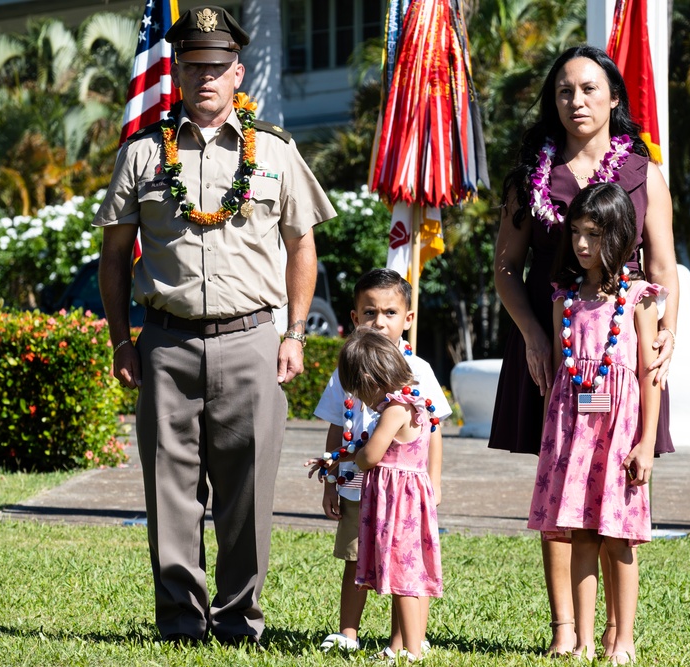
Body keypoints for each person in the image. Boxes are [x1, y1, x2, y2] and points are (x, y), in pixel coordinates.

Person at [95, 5, 336, 647]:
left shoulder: (277, 152)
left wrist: (293, 335)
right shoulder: (142, 154)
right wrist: (123, 339)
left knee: (248, 493)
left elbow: (303, 245)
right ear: (177, 71)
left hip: (252, 339)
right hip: (167, 341)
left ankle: (238, 622)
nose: (206, 78)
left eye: (218, 67)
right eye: (195, 66)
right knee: (170, 491)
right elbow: (114, 256)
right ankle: (179, 622)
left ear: (237, 72)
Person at [489, 44, 679, 655]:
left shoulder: (643, 174)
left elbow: (665, 268)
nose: (576, 101)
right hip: (559, 351)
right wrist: (535, 336)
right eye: (565, 90)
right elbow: (505, 271)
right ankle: (566, 631)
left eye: (590, 89)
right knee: (563, 503)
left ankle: (618, 635)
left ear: (614, 98)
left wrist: (665, 331)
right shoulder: (530, 178)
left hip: (625, 352)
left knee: (615, 500)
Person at [527, 182, 664, 664]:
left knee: (619, 538)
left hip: (619, 434)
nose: (583, 244)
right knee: (580, 534)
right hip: (572, 436)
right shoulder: (564, 299)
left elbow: (650, 376)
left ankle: (621, 638)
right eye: (578, 232)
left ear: (623, 236)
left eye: (596, 234)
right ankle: (582, 639)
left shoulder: (641, 298)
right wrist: (554, 445)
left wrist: (646, 444)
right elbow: (560, 383)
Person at [310, 269, 451, 655]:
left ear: (408, 319)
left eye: (390, 312)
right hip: (359, 486)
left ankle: (402, 641)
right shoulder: (348, 369)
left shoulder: (418, 370)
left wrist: (434, 481)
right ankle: (348, 633)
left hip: (402, 488)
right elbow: (337, 427)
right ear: (355, 318)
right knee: (357, 559)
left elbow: (433, 429)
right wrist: (331, 482)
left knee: (402, 562)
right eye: (370, 312)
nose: (379, 321)